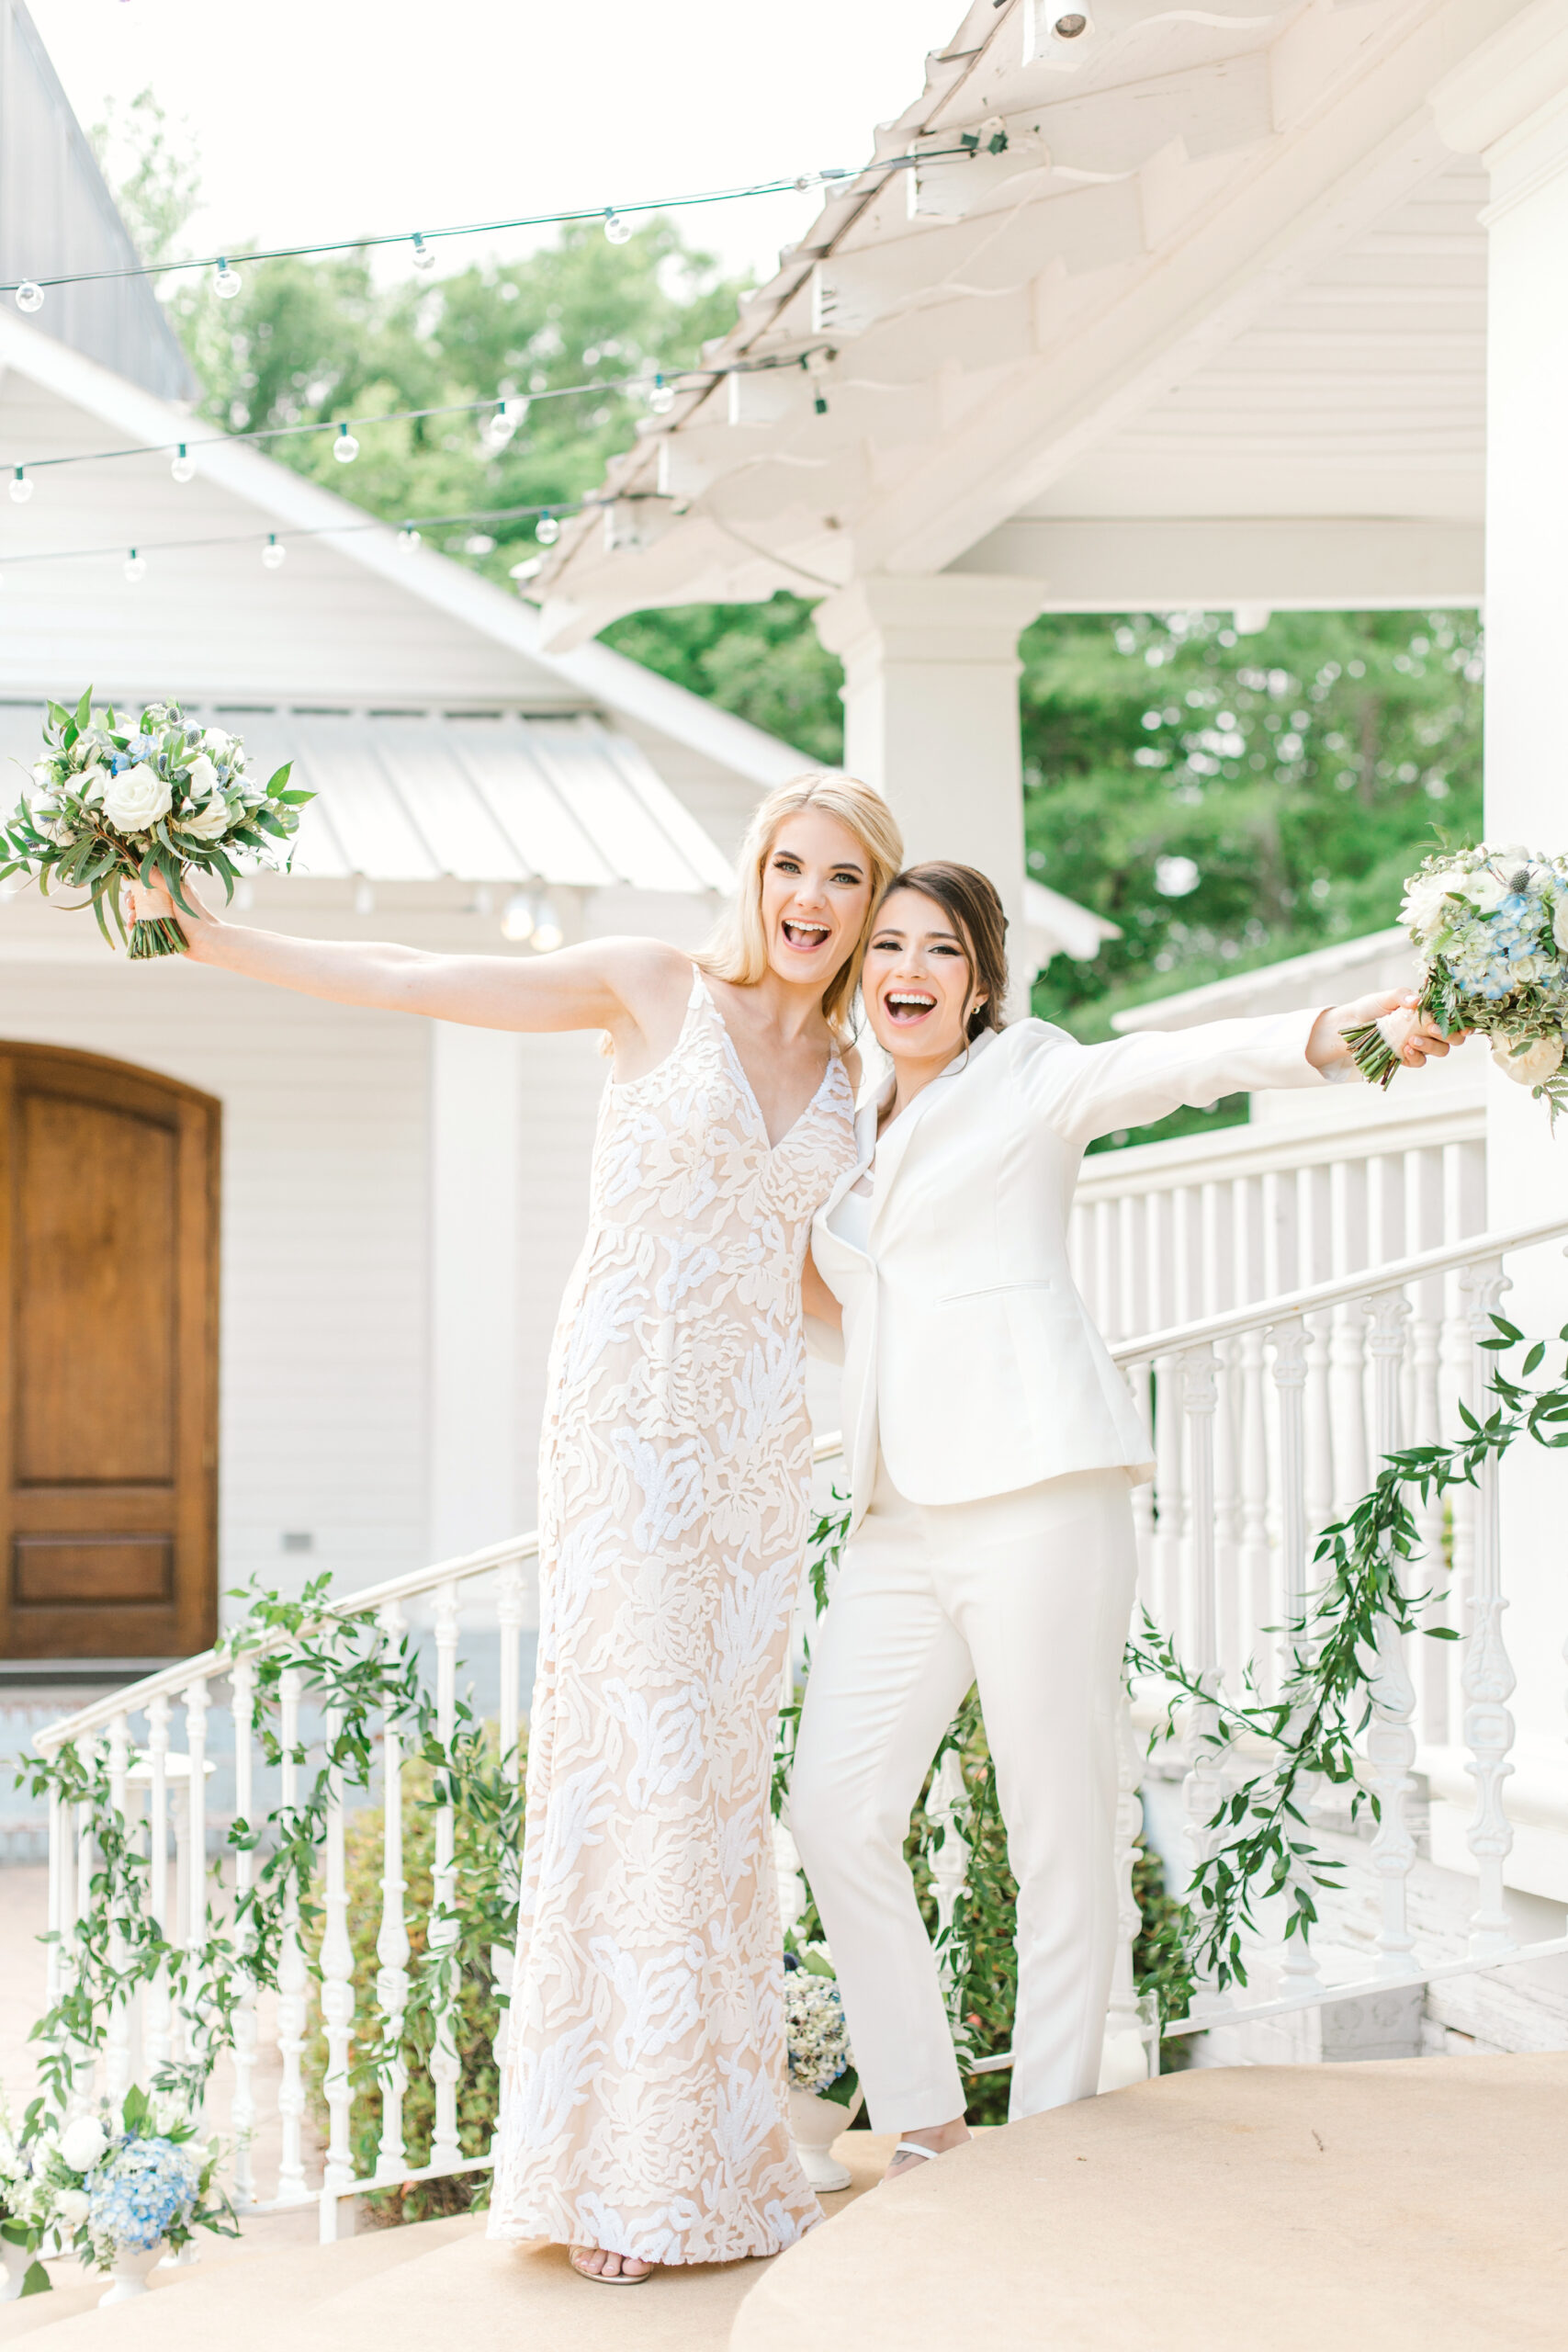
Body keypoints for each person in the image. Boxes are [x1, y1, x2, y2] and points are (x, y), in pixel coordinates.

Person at [129, 772, 905, 2281]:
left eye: (847, 881)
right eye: (791, 867)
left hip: (754, 1455)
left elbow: (813, 1286)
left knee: (715, 1794)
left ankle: (707, 2154)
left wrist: (957, 1354)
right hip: (623, 1425)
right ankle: (615, 2181)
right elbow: (427, 976)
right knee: (637, 1772)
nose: (812, 900)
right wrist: (213, 941)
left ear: (875, 908)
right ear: (756, 877)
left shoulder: (851, 1074)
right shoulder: (650, 987)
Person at [791, 860, 1461, 2182]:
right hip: (896, 1510)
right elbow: (861, 1301)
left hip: (1040, 1488)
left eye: (939, 951)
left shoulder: (1030, 1074)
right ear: (857, 970)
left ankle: (1043, 2130)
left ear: (979, 984)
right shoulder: (843, 1120)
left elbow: (1175, 1062)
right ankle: (923, 2115)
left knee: (1058, 1823)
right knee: (831, 1809)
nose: (907, 971)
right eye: (887, 948)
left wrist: (1344, 1032)